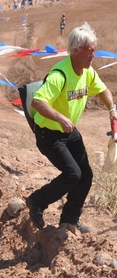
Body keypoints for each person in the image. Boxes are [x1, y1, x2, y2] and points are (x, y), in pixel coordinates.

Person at [26, 23, 117, 234]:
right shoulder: (60, 75)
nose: (93, 55)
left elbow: (103, 90)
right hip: (48, 133)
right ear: (75, 50)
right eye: (89, 50)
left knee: (86, 176)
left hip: (68, 131)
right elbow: (38, 102)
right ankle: (37, 201)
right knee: (73, 174)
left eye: (94, 50)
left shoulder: (88, 72)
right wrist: (61, 118)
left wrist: (112, 108)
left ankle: (69, 220)